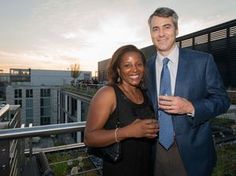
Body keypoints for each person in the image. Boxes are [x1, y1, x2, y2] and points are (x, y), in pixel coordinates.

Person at [145, 7, 230, 176]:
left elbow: (222, 100)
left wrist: (191, 107)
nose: (161, 33)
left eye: (167, 26)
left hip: (193, 155)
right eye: (156, 28)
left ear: (176, 30)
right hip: (154, 154)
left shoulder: (202, 61)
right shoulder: (145, 67)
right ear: (151, 33)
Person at [84, 45, 159, 176]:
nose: (135, 70)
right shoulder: (107, 93)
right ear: (118, 70)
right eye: (127, 65)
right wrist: (129, 131)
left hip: (147, 169)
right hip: (119, 170)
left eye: (139, 64)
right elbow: (89, 138)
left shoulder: (145, 93)